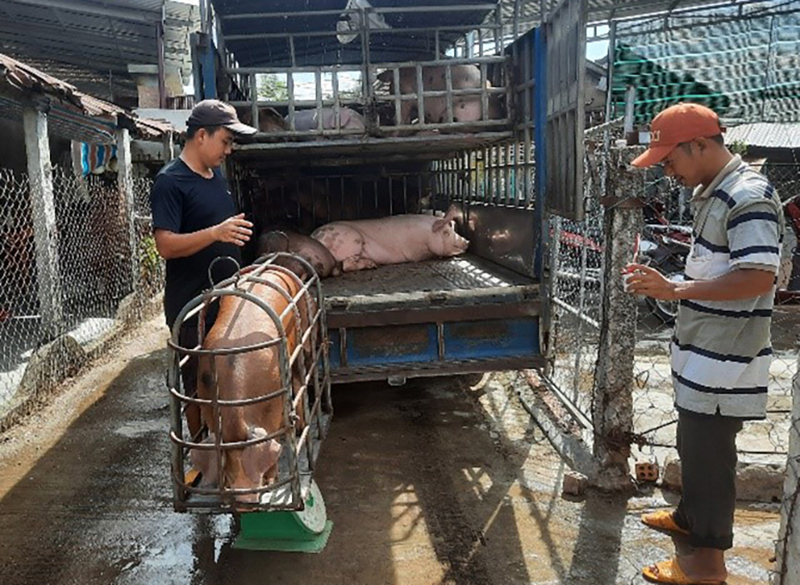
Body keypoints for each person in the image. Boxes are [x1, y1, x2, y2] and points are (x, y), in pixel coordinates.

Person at [624, 103, 783, 585]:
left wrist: (675, 290)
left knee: (711, 459)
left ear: (700, 144)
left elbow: (757, 276)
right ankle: (690, 519)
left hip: (725, 359)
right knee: (694, 446)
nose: (667, 171)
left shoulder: (746, 197)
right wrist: (676, 285)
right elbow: (719, 269)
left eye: (669, 160)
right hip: (703, 352)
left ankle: (707, 567)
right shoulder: (715, 193)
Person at [150, 99, 257, 437]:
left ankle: (230, 453)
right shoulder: (170, 182)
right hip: (192, 304)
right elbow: (165, 245)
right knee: (197, 386)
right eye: (225, 140)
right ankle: (199, 457)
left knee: (230, 382)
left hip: (226, 299)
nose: (229, 149)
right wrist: (215, 233)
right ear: (201, 135)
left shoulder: (215, 177)